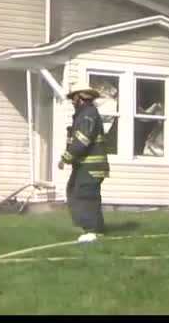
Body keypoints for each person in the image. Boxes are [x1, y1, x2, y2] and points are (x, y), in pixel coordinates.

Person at [59, 83, 110, 242]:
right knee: (74, 191)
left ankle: (92, 231)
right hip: (84, 165)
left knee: (86, 196)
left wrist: (66, 157)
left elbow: (82, 140)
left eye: (73, 98)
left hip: (91, 166)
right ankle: (89, 228)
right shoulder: (83, 115)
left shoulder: (88, 114)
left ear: (81, 97)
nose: (72, 102)